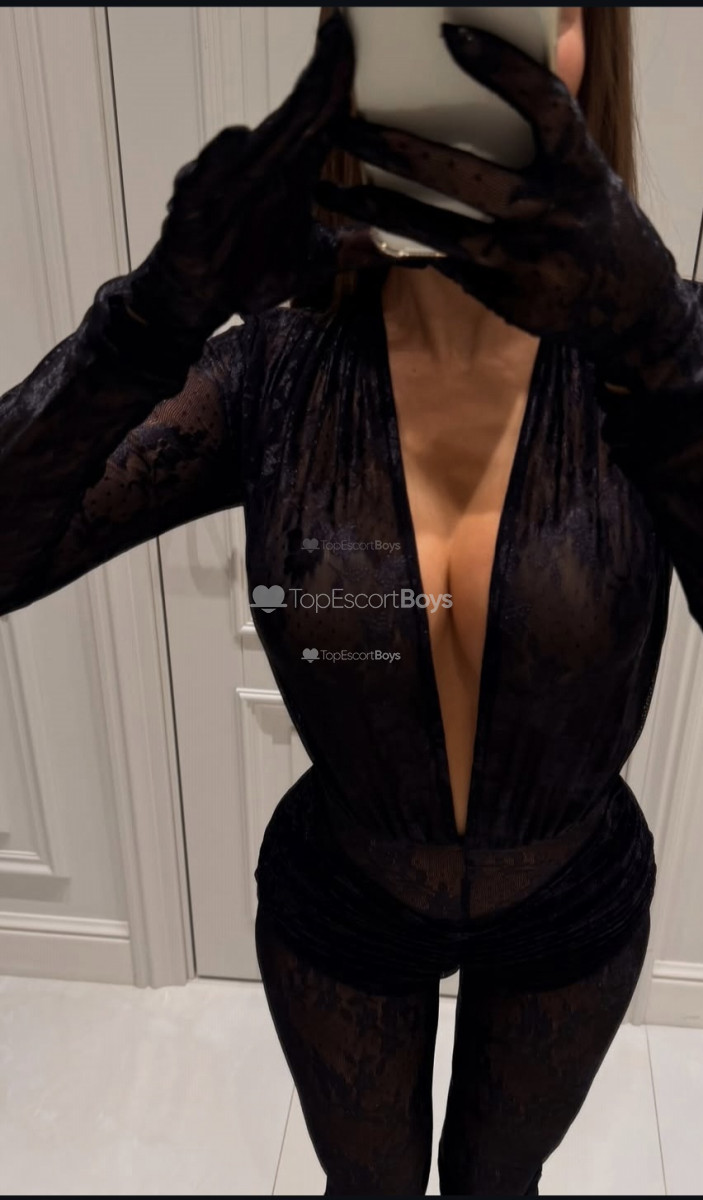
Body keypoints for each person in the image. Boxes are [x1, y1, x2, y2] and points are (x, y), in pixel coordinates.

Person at [0, 7, 701, 1195]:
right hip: (344, 893)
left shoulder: (662, 350)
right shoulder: (270, 370)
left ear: (594, 42)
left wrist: (667, 353)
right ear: (351, 41)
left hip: (573, 895)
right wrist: (154, 314)